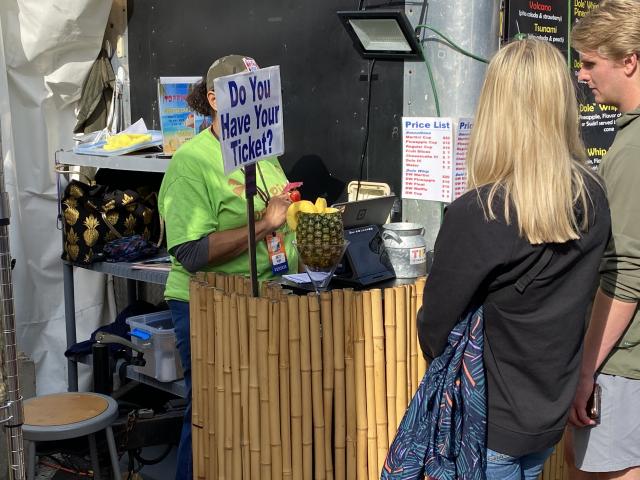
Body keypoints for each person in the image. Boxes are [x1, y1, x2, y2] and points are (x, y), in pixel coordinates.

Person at [416, 39, 611, 479]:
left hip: (487, 425)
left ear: (496, 109)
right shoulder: (593, 198)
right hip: (548, 414)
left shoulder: (481, 211)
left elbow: (434, 326)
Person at [158, 54, 298, 479]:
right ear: (216, 98)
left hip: (265, 297)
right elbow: (191, 251)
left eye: (262, 90)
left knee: (257, 413)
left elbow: (274, 215)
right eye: (246, 91)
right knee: (209, 414)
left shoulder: (264, 152)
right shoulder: (193, 162)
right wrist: (263, 225)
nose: (258, 100)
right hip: (208, 304)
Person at [568, 1, 640, 478]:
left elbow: (627, 272)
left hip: (622, 363)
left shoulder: (631, 150)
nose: (582, 75)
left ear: (630, 60)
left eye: (592, 62)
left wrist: (586, 367)